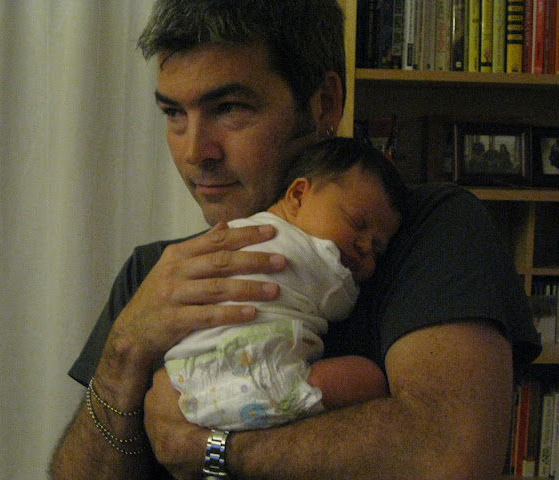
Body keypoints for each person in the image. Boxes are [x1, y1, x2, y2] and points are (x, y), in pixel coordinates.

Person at [49, 1, 541, 479]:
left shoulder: (425, 229)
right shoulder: (157, 272)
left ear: (323, 103)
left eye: (229, 108)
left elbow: (449, 455)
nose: (196, 151)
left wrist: (213, 449)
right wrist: (124, 351)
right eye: (174, 114)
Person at [165, 137, 405, 431]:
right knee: (369, 378)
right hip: (259, 379)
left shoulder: (236, 232)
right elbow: (338, 307)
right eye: (356, 223)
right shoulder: (323, 257)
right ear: (298, 195)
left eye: (378, 248)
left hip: (184, 380)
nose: (365, 246)